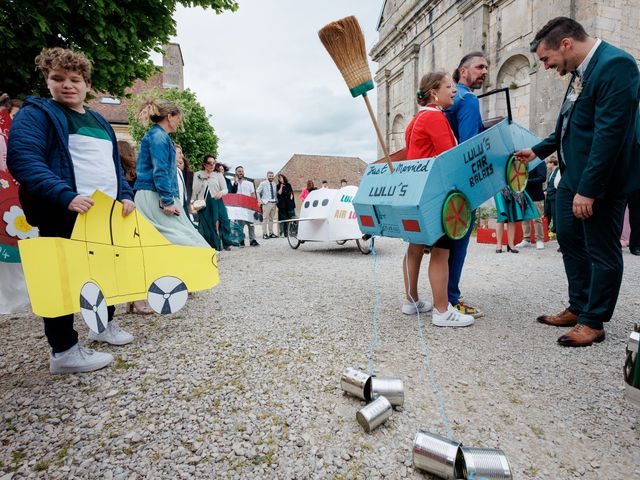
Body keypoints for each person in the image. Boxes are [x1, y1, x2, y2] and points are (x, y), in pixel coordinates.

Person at [7, 47, 135, 373]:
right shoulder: (37, 114)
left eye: (75, 79)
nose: (67, 85)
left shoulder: (98, 120)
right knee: (61, 281)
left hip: (101, 215)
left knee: (105, 273)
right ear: (47, 81)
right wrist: (65, 195)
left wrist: (125, 194)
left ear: (87, 85)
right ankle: (63, 351)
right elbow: (24, 160)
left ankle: (102, 326)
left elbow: (113, 168)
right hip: (61, 212)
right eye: (58, 78)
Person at [514, 17, 640, 347]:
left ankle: (593, 320)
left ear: (566, 44)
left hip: (601, 182)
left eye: (546, 58)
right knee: (569, 239)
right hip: (572, 177)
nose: (545, 66)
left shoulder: (617, 66)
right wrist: (538, 150)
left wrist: (589, 189)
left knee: (601, 248)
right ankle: (578, 305)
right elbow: (570, 124)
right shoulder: (579, 72)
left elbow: (610, 135)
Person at [402, 71, 474, 327]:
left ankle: (411, 301)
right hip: (436, 193)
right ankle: (442, 311)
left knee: (415, 247)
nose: (454, 90)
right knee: (441, 253)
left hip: (416, 191)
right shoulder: (435, 118)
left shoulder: (416, 119)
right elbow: (449, 159)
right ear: (434, 92)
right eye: (449, 86)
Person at [444, 52, 489, 319]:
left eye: (486, 67)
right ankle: (451, 299)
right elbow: (469, 147)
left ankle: (440, 296)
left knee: (442, 245)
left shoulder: (448, 99)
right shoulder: (469, 99)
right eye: (479, 67)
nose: (484, 72)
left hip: (442, 179)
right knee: (458, 242)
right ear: (463, 71)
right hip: (461, 184)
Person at [134, 97, 209, 248]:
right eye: (178, 119)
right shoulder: (159, 137)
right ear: (169, 117)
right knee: (185, 239)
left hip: (156, 193)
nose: (179, 123)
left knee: (184, 236)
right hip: (155, 194)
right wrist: (167, 201)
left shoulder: (158, 136)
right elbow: (160, 171)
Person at [117, 141, 153, 315]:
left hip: (118, 216)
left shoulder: (118, 173)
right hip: (133, 217)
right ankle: (138, 298)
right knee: (136, 259)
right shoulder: (136, 173)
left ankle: (134, 298)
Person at [192, 154, 232, 250]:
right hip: (204, 202)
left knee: (225, 220)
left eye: (214, 163)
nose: (212, 165)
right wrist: (202, 179)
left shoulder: (218, 174)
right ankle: (212, 244)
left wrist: (221, 193)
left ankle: (227, 242)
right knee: (208, 223)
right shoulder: (198, 174)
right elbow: (195, 190)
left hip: (217, 200)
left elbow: (225, 189)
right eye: (209, 163)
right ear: (204, 164)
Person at [493, 187, 539, 253]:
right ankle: (499, 245)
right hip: (498, 187)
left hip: (512, 186)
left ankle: (511, 244)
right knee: (501, 215)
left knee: (512, 215)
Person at [516, 161, 547, 250]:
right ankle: (526, 239)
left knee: (537, 218)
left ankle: (539, 240)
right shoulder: (523, 163)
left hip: (536, 195)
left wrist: (526, 182)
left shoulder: (539, 162)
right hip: (524, 194)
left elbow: (542, 177)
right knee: (525, 218)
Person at [229, 165, 259, 246]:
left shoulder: (249, 183)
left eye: (242, 171)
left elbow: (253, 195)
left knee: (251, 224)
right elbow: (231, 194)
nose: (241, 173)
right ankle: (241, 240)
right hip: (238, 208)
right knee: (239, 225)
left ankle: (253, 240)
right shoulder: (232, 183)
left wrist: (254, 206)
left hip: (248, 206)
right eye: (239, 171)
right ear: (236, 172)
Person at [257, 171, 279, 239]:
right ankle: (264, 234)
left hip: (274, 203)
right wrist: (260, 201)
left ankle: (271, 233)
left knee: (271, 219)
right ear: (267, 176)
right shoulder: (263, 183)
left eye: (272, 176)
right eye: (270, 176)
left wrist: (276, 201)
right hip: (267, 203)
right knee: (265, 219)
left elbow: (275, 193)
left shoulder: (274, 184)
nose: (271, 177)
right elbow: (257, 191)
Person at [544, 156, 560, 239]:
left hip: (554, 196)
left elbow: (556, 184)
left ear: (552, 163)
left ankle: (554, 231)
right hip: (548, 196)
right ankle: (545, 229)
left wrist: (548, 191)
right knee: (547, 213)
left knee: (555, 214)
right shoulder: (551, 172)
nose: (546, 165)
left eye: (548, 163)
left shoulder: (558, 171)